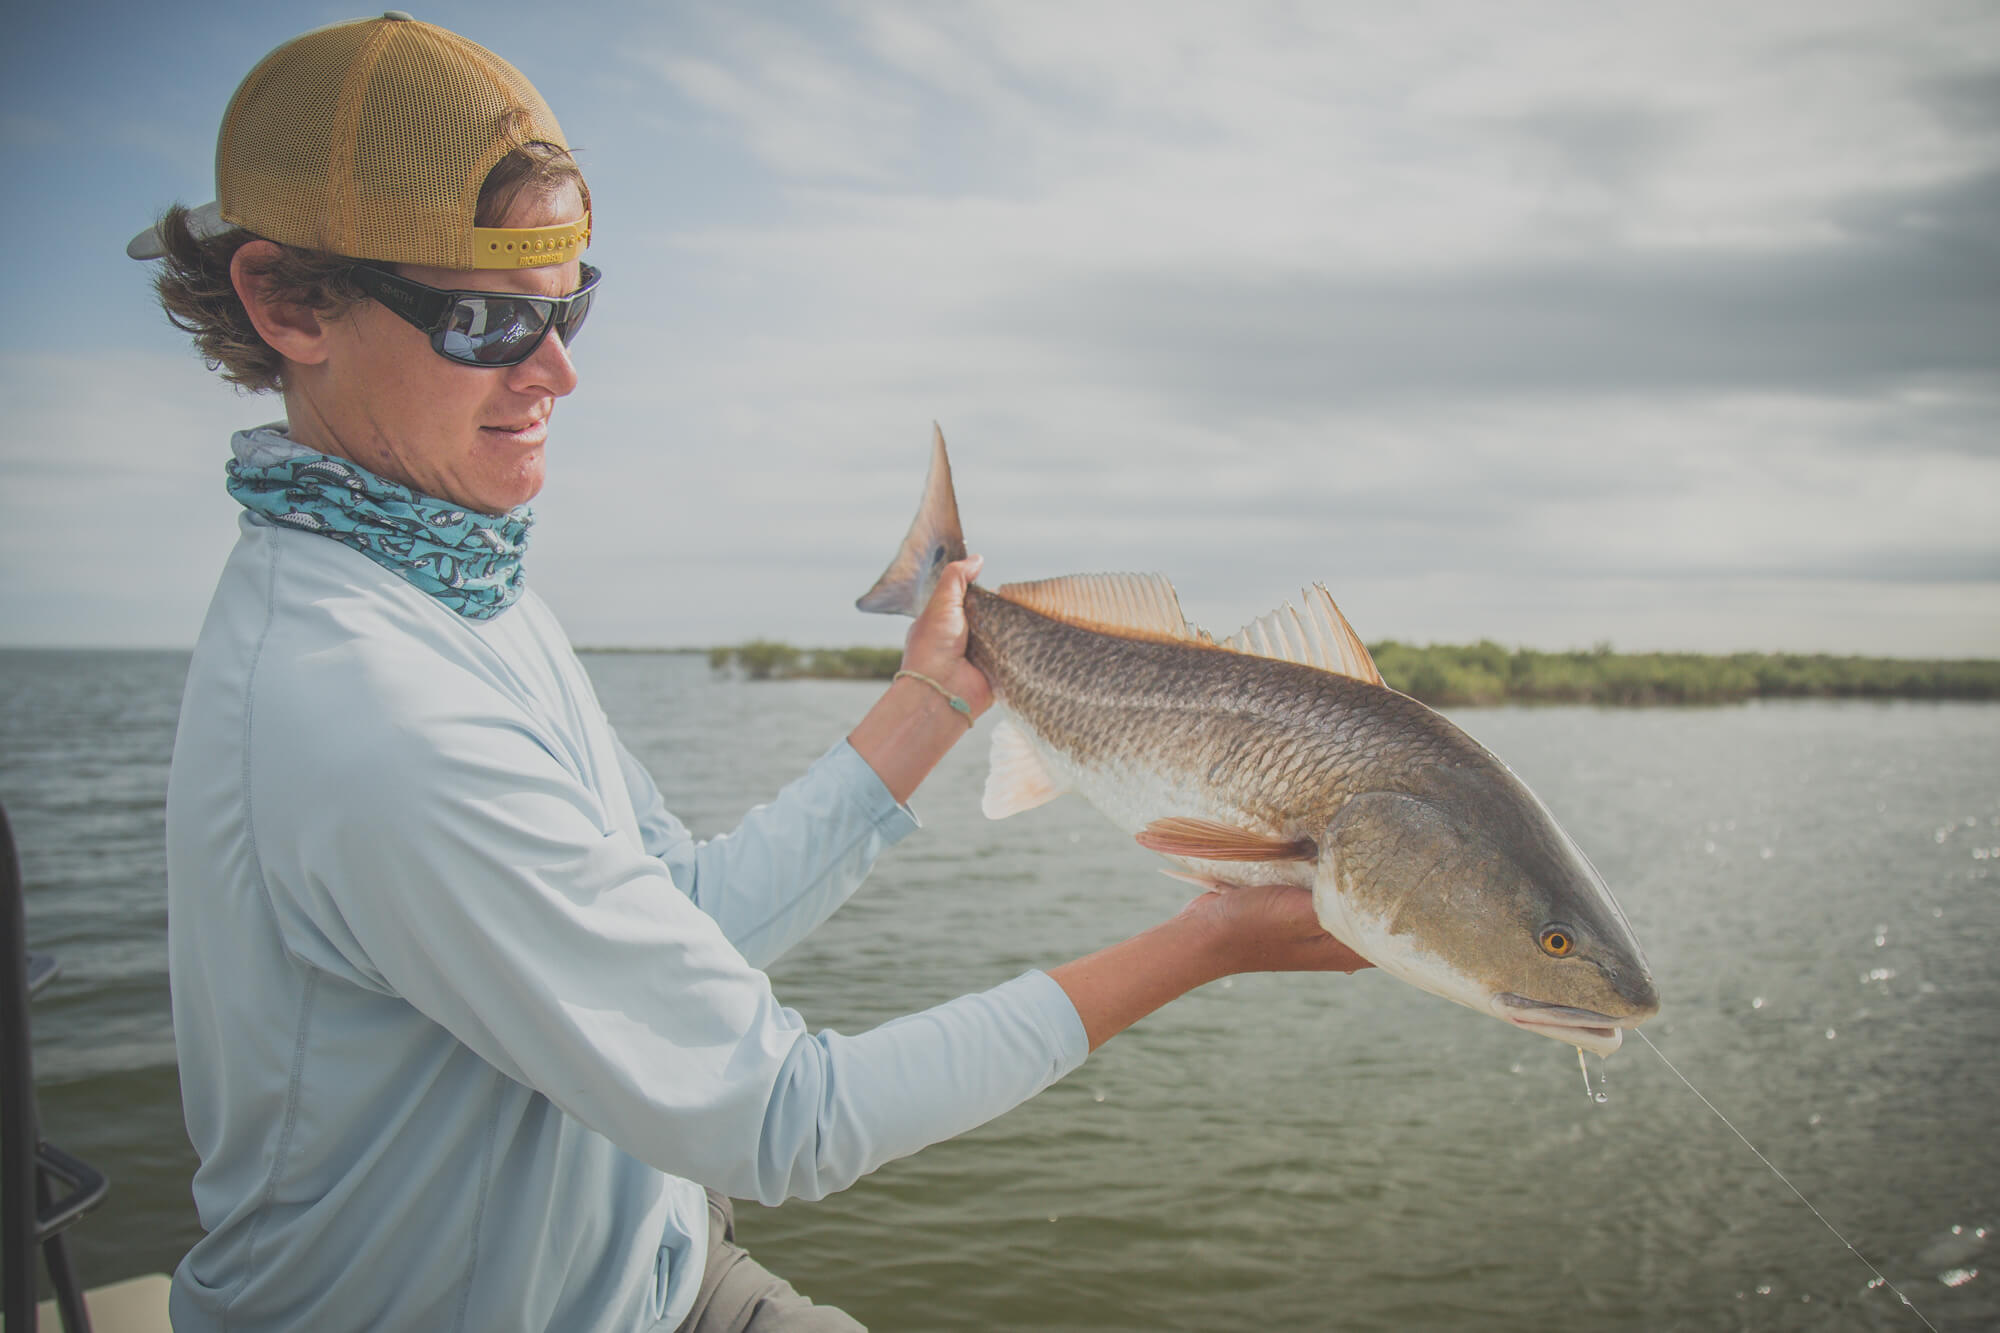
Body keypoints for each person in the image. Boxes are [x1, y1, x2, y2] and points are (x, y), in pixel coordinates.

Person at [136, 14, 1369, 1332]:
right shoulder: (365, 709)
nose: (558, 369)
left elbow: (682, 917)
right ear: (286, 302)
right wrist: (1208, 941)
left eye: (570, 303)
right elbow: (784, 1117)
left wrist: (935, 702)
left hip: (659, 1273)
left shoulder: (463, 596)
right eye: (485, 317)